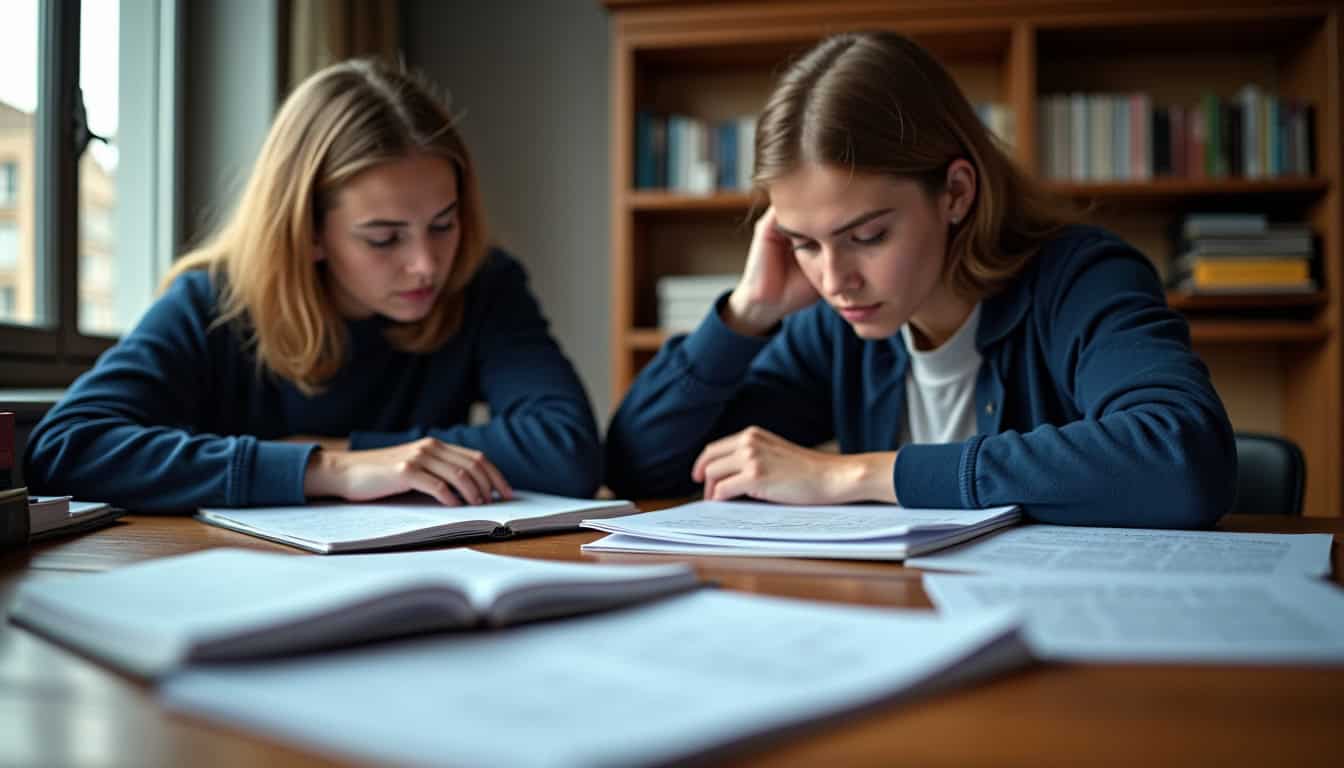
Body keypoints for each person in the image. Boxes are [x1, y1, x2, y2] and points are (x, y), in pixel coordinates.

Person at [605, 31, 1236, 527]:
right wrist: (748, 312)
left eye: (868, 236)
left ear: (956, 192)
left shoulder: (1081, 278)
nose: (835, 280)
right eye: (803, 244)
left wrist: (857, 476)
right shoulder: (838, 328)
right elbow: (640, 466)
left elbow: (1182, 460)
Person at [25, 59, 602, 511]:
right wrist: (326, 470)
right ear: (308, 233)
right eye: (384, 238)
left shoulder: (484, 284)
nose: (427, 264)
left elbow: (566, 450)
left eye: (443, 224)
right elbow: (66, 449)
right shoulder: (215, 302)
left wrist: (342, 447)